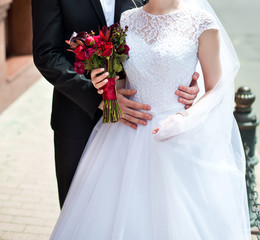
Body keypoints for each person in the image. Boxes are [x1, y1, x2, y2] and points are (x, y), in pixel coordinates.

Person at [49, 0, 251, 239]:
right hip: (124, 135)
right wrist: (104, 85)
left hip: (176, 136)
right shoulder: (127, 20)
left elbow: (217, 89)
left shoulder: (202, 22)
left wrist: (186, 117)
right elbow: (128, 81)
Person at [31, 0, 200, 208]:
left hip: (138, 121)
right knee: (76, 212)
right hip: (77, 119)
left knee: (136, 209)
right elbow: (46, 54)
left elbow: (165, 28)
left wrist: (185, 81)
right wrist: (100, 99)